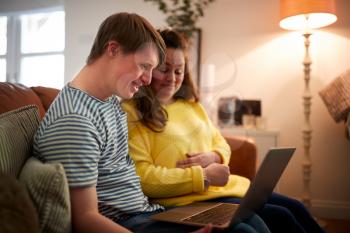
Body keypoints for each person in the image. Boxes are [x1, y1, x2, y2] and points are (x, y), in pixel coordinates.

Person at [33, 12, 270, 233]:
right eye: (144, 66)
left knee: (250, 220)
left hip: (147, 212)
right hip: (129, 223)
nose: (148, 79)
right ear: (113, 49)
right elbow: (84, 219)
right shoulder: (76, 121)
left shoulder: (107, 102)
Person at [122, 28, 326, 233]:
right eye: (164, 69)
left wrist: (214, 156)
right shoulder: (132, 112)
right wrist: (202, 175)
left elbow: (222, 144)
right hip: (188, 200)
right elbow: (143, 177)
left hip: (229, 188)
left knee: (297, 207)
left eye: (179, 70)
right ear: (147, 68)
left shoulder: (192, 106)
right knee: (282, 216)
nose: (172, 78)